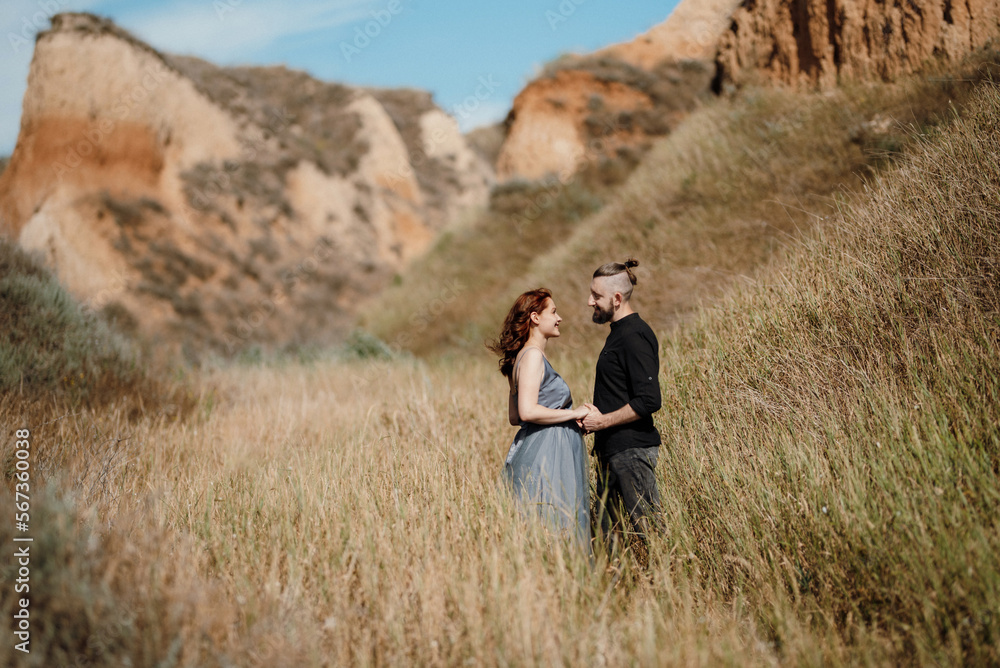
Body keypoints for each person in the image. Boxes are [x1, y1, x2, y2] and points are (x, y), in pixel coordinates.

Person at [488, 288, 591, 549]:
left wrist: (561, 418)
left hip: (534, 446)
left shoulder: (520, 358)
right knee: (557, 522)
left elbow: (514, 417)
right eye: (553, 312)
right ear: (535, 317)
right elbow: (527, 412)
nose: (559, 318)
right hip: (548, 451)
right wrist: (573, 413)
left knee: (542, 525)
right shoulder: (533, 356)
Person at [581, 259, 663, 558]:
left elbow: (649, 401)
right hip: (612, 452)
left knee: (651, 532)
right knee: (608, 540)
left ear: (617, 299)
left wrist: (601, 422)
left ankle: (670, 590)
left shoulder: (634, 335)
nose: (590, 301)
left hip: (632, 453)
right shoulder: (618, 334)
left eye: (596, 296)